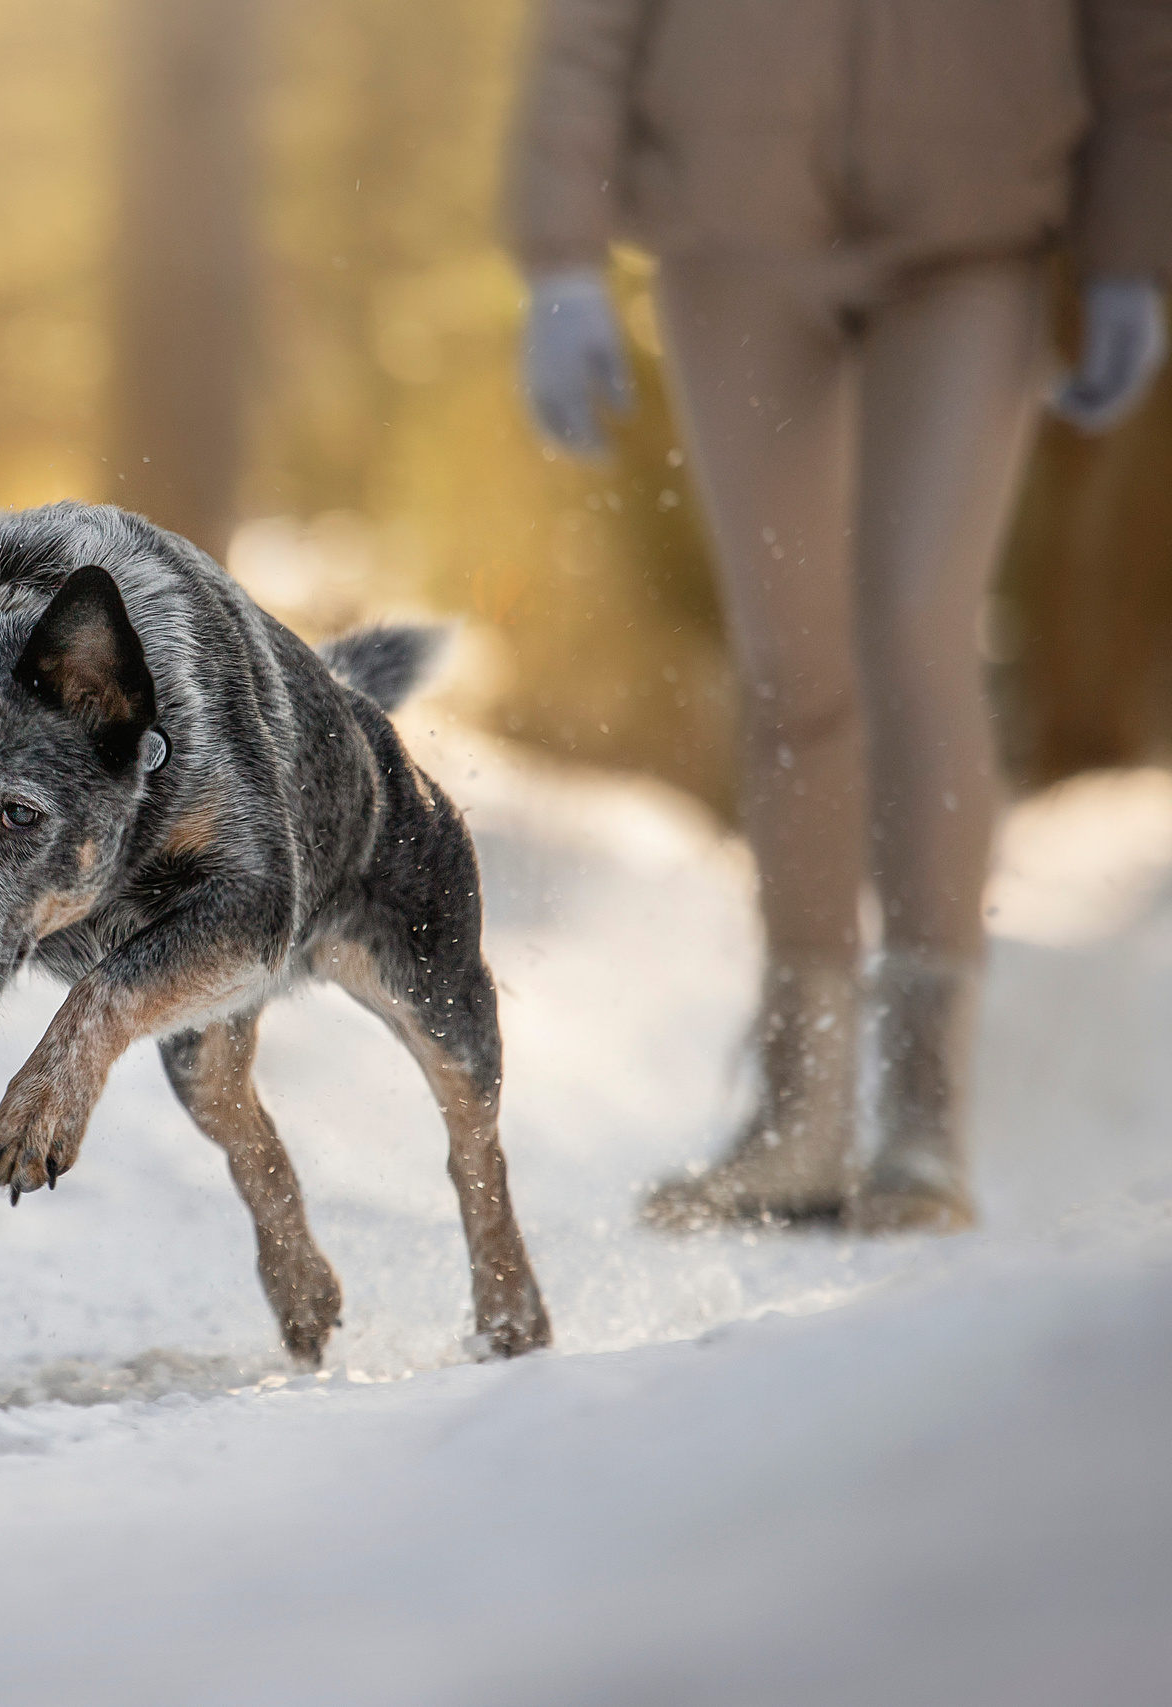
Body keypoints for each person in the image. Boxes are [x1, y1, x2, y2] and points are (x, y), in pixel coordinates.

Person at [504, 0, 1172, 1233]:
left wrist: (1133, 248)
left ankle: (921, 1118)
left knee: (919, 630)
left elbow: (1136, 39)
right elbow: (590, 24)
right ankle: (798, 1116)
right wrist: (561, 255)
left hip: (975, 241)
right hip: (736, 237)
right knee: (791, 668)